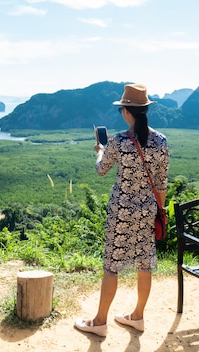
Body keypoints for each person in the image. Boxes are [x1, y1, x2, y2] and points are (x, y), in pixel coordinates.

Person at [74, 83, 169, 337]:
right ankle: (137, 316)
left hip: (121, 212)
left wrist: (100, 151)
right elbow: (161, 183)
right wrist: (160, 211)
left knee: (112, 266)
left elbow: (101, 170)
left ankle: (100, 321)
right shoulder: (161, 141)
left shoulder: (118, 141)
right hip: (148, 211)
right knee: (144, 264)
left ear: (126, 111)